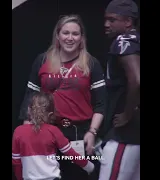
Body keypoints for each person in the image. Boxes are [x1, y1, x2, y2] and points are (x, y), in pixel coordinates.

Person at [18, 15, 106, 180]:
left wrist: (92, 132)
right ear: (57, 35)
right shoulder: (42, 60)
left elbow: (101, 104)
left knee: (77, 176)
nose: (70, 38)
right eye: (66, 33)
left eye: (75, 34)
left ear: (82, 38)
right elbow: (30, 97)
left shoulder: (91, 63)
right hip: (46, 132)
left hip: (79, 134)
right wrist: (27, 132)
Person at [99, 0, 140, 180]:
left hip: (126, 134)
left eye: (112, 20)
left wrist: (127, 114)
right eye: (106, 19)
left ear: (128, 22)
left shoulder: (124, 41)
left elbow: (137, 80)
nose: (106, 24)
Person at [12, 92, 95, 180]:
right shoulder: (53, 131)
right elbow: (71, 154)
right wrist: (90, 167)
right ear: (51, 114)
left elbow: (16, 162)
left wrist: (20, 178)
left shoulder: (18, 132)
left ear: (29, 110)